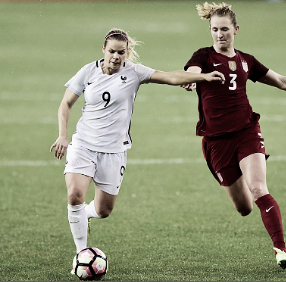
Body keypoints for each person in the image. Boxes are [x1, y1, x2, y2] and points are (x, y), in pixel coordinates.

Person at [49, 28, 225, 272]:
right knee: (74, 195)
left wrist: (202, 77)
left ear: (126, 52)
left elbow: (169, 76)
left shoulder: (134, 73)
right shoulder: (87, 72)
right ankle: (81, 253)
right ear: (103, 50)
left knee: (103, 210)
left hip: (114, 150)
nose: (116, 57)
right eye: (111, 51)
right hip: (84, 144)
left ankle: (86, 215)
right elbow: (65, 103)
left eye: (121, 52)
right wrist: (63, 135)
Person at [182, 2, 286, 269]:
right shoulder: (204, 57)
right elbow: (192, 71)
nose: (220, 35)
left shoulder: (247, 61)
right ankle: (242, 174)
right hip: (216, 143)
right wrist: (193, 77)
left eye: (225, 30)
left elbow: (280, 80)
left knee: (258, 188)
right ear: (210, 30)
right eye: (215, 30)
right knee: (244, 208)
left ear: (236, 30)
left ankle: (281, 249)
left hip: (247, 132)